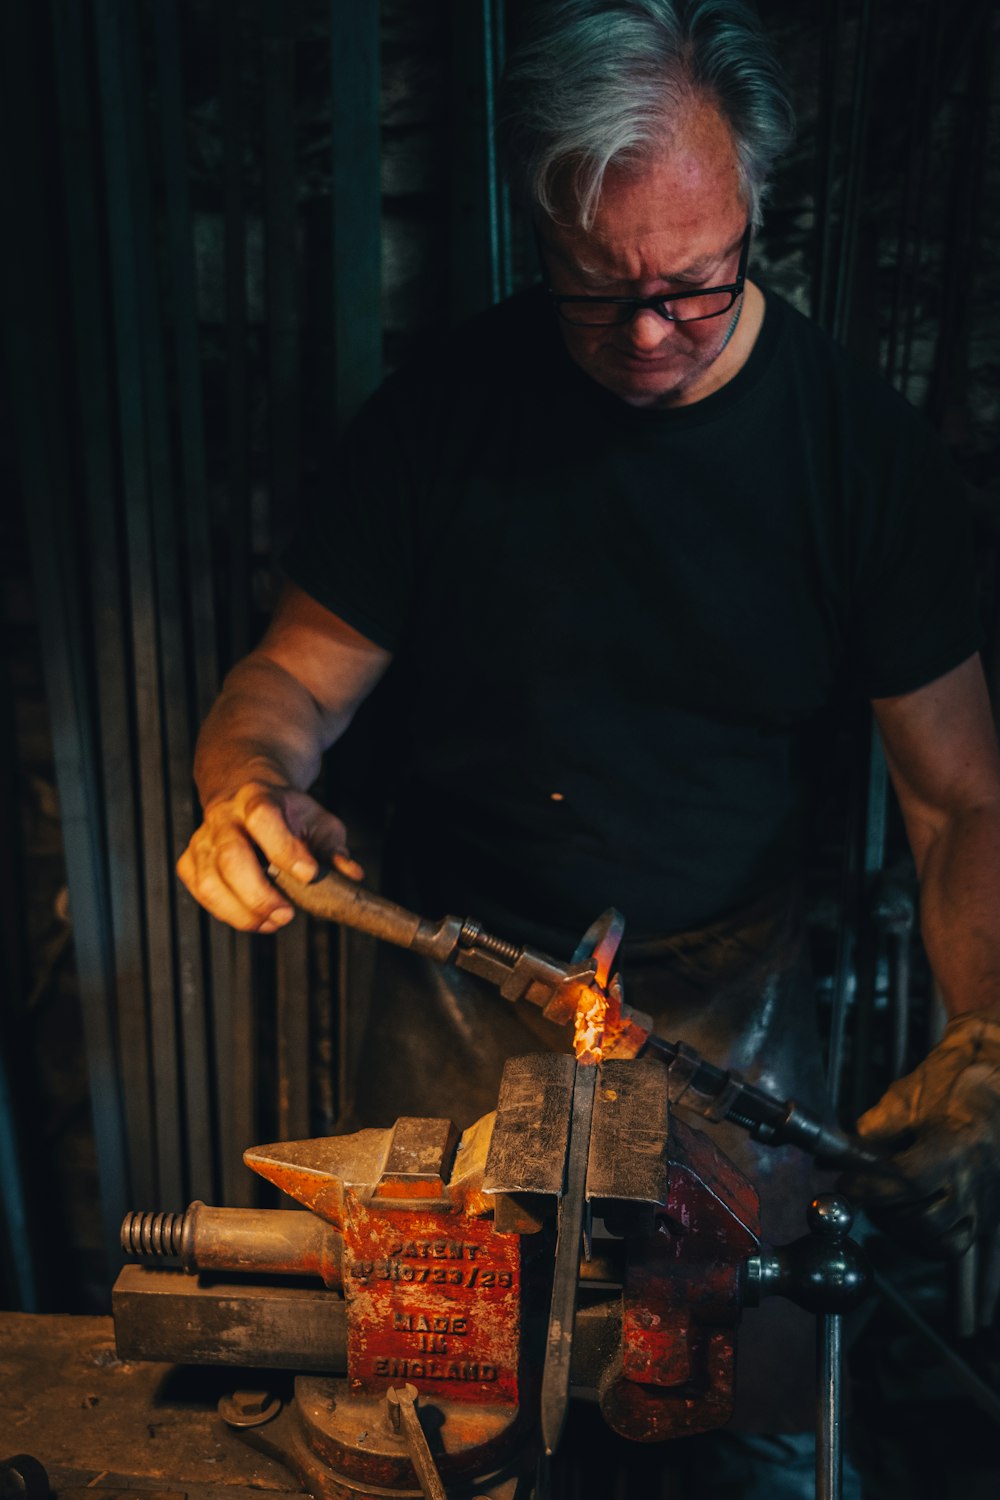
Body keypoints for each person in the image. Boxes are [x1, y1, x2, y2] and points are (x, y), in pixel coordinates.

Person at [178, 0, 1000, 1491]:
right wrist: (247, 783)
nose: (645, 336)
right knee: (433, 1430)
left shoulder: (858, 457)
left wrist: (991, 1051)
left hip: (728, 1010)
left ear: (756, 207)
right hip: (457, 987)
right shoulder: (444, 417)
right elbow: (290, 679)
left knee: (730, 1432)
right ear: (540, 222)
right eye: (594, 288)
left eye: (693, 287)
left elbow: (958, 804)